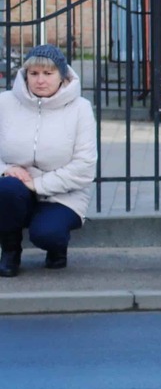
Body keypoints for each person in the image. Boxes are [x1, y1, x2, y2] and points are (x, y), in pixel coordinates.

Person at [0, 45, 97, 275]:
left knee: (47, 233)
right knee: (6, 189)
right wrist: (6, 169)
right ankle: (10, 252)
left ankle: (56, 248)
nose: (40, 81)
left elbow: (84, 167)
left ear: (62, 76)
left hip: (64, 195)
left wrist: (37, 184)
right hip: (17, 188)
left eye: (48, 73)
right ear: (25, 75)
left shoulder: (80, 109)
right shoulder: (4, 103)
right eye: (33, 74)